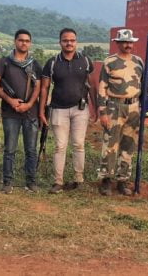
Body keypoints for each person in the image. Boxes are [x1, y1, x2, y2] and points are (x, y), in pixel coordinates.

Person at [39, 28, 95, 194]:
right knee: (60, 146)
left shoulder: (85, 61)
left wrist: (96, 107)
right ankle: (58, 182)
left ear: (76, 42)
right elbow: (44, 88)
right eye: (65, 40)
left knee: (78, 144)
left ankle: (79, 179)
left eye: (72, 40)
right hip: (58, 109)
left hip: (80, 109)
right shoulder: (52, 62)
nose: (69, 43)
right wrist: (42, 110)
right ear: (60, 42)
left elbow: (92, 86)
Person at [0, 29, 42, 194]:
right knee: (10, 149)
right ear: (15, 41)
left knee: (31, 150)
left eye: (27, 41)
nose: (24, 43)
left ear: (30, 43)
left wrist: (29, 104)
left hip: (30, 113)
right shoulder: (4, 62)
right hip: (10, 113)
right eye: (21, 40)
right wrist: (10, 100)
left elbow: (38, 87)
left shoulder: (34, 64)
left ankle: (31, 182)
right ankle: (7, 182)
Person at [96, 29, 144, 196]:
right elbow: (102, 87)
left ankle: (123, 180)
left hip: (133, 108)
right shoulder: (110, 62)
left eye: (130, 42)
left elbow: (142, 86)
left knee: (129, 144)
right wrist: (102, 111)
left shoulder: (139, 62)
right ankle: (106, 180)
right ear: (118, 43)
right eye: (124, 42)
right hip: (114, 107)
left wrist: (142, 108)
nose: (128, 45)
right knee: (111, 144)